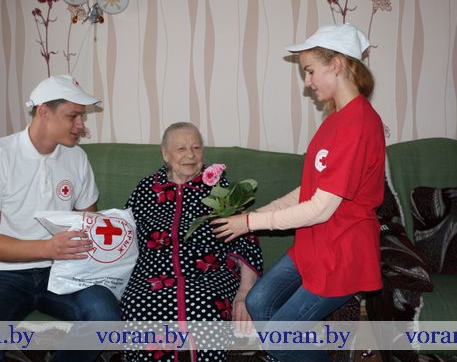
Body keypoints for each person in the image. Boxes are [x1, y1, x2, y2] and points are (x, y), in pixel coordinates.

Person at [213, 24, 385, 362]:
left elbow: (321, 207)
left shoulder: (359, 124)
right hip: (317, 243)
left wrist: (249, 223)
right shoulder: (335, 120)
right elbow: (309, 190)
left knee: (279, 339)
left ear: (336, 64)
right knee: (258, 301)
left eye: (310, 71)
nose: (307, 82)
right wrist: (256, 215)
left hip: (341, 254)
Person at [0, 75, 122, 362]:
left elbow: (88, 224)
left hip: (62, 271)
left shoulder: (77, 158)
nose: (81, 125)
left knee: (106, 317)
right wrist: (48, 248)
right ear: (44, 112)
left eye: (82, 117)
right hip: (3, 272)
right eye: (73, 116)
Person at [120, 122, 263, 362]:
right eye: (181, 149)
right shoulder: (146, 189)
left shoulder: (220, 189)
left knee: (206, 304)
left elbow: (247, 240)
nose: (190, 155)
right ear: (165, 154)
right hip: (152, 275)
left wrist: (245, 292)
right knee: (138, 303)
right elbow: (124, 232)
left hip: (211, 275)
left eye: (196, 147)